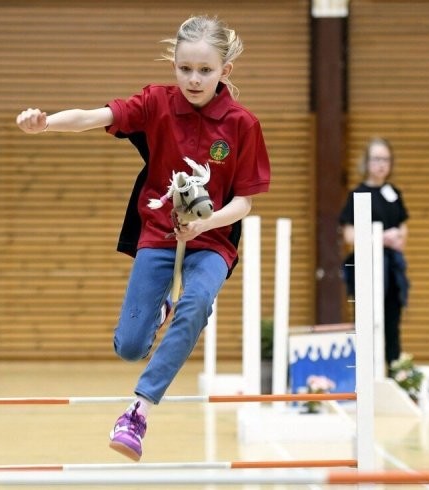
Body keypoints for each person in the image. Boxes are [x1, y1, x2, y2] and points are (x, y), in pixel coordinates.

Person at [15, 15, 270, 461]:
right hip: (157, 235)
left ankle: (138, 411)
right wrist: (46, 123)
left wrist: (204, 225)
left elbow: (243, 204)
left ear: (224, 71)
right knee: (130, 347)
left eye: (205, 70)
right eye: (185, 68)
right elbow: (94, 116)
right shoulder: (156, 103)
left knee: (197, 301)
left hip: (213, 242)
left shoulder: (242, 124)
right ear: (173, 64)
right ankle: (159, 313)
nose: (194, 79)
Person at [338, 137, 409, 370]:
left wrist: (395, 238)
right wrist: (379, 238)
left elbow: (403, 233)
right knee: (366, 319)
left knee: (392, 320)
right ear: (367, 162)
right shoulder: (357, 194)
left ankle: (393, 369)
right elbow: (350, 237)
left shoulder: (394, 193)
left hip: (392, 268)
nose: (382, 164)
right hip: (366, 268)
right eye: (377, 159)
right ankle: (365, 371)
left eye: (386, 159)